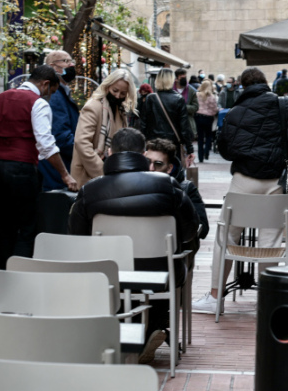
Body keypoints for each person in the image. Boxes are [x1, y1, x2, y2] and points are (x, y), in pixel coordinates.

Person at [67, 128, 200, 364]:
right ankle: (153, 328)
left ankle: (119, 336)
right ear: (143, 154)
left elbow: (78, 238)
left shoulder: (90, 190)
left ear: (109, 153)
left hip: (109, 275)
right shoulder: (169, 186)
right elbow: (190, 232)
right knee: (176, 262)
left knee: (113, 274)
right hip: (161, 274)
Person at [193, 67, 288, 313]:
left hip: (244, 180)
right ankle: (267, 301)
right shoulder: (287, 106)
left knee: (226, 236)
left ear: (243, 86)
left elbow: (224, 149)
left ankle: (215, 298)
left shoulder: (235, 112)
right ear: (265, 83)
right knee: (271, 241)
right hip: (278, 182)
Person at [0, 65, 76, 270]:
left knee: (4, 228)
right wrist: (65, 175)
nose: (49, 97)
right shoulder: (38, 104)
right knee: (27, 228)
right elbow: (46, 144)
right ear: (45, 84)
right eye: (50, 92)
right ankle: (20, 277)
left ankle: (3, 278)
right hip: (23, 170)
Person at [70, 69, 135, 187]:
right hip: (89, 176)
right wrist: (102, 171)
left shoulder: (120, 112)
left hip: (111, 176)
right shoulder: (93, 106)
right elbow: (82, 142)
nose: (117, 95)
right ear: (107, 86)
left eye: (122, 93)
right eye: (115, 90)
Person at [143, 137, 209, 242]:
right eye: (147, 161)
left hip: (174, 251)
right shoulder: (133, 186)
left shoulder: (185, 188)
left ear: (169, 168)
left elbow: (203, 228)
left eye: (158, 164)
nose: (151, 168)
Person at [140, 68, 195, 174]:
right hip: (172, 145)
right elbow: (184, 127)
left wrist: (143, 146)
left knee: (153, 172)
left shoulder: (150, 98)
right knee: (174, 174)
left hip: (154, 145)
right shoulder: (178, 99)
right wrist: (190, 149)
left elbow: (143, 125)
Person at [40, 50, 80, 191]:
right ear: (52, 67)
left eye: (71, 61)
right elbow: (61, 136)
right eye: (66, 61)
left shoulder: (62, 92)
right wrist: (83, 151)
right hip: (57, 171)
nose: (71, 65)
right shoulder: (55, 95)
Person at [195, 80, 219, 162]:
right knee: (209, 136)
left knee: (200, 138)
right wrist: (214, 113)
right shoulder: (212, 97)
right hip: (208, 118)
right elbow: (214, 108)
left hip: (198, 117)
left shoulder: (197, 95)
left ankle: (200, 157)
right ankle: (206, 152)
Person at [174, 68, 200, 138]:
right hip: (173, 124)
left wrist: (183, 106)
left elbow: (195, 107)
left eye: (185, 77)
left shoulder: (191, 91)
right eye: (181, 78)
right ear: (176, 79)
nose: (184, 79)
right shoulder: (171, 90)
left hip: (187, 124)